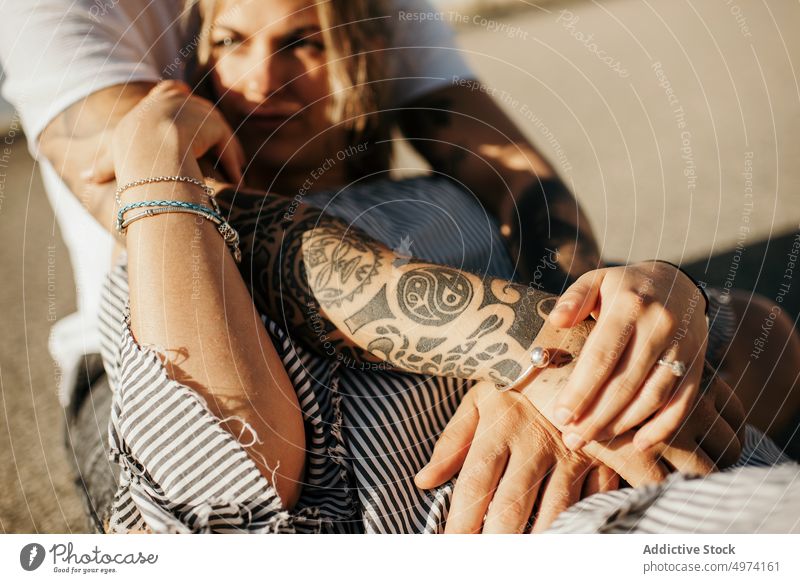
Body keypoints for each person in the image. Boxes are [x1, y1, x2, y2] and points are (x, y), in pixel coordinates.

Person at [98, 0, 795, 534]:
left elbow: (770, 347)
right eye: (228, 41)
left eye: (303, 42)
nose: (260, 77)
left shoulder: (448, 203)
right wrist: (157, 165)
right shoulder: (170, 260)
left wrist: (663, 304)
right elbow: (212, 493)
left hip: (698, 489)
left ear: (366, 60)